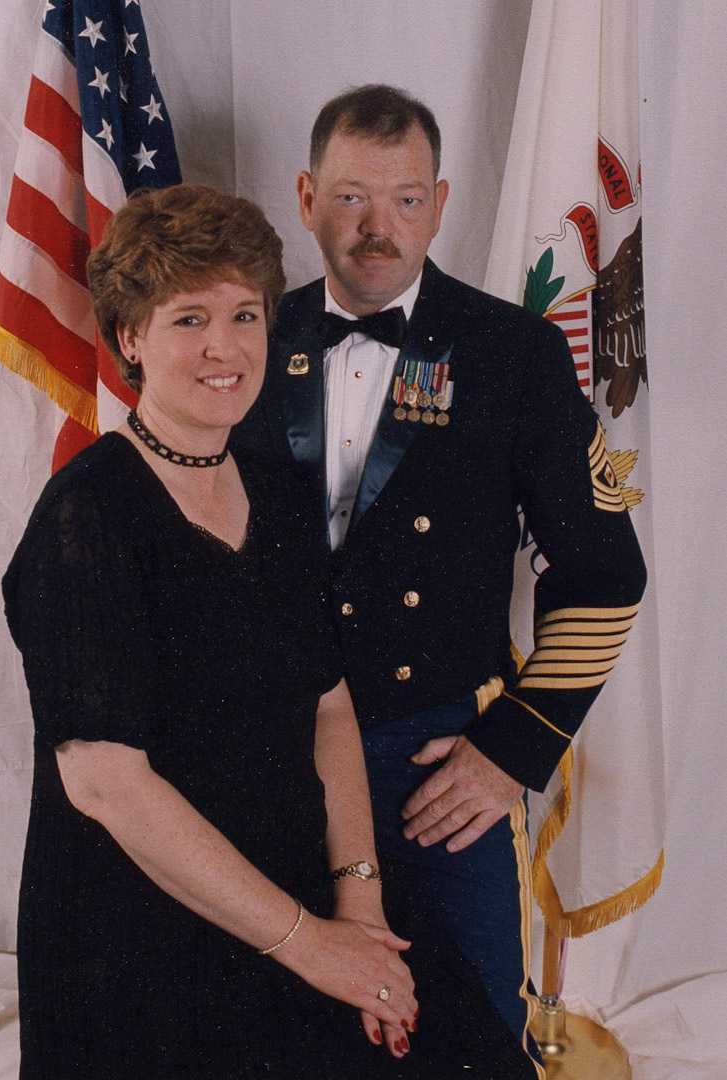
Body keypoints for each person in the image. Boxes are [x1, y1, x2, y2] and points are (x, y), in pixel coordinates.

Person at [233, 84, 647, 1070]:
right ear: (305, 198)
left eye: (405, 199)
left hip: (431, 760)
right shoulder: (241, 341)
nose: (377, 227)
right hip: (266, 757)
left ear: (441, 203)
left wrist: (511, 748)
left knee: (475, 1038)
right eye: (350, 198)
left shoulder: (512, 354)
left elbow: (600, 573)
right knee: (267, 1033)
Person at [3, 184, 424, 1080]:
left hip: (294, 893)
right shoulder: (85, 517)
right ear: (130, 338)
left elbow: (329, 708)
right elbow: (107, 784)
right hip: (136, 935)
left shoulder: (279, 494)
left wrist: (358, 909)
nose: (224, 348)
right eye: (189, 319)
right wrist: (313, 947)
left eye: (244, 315)